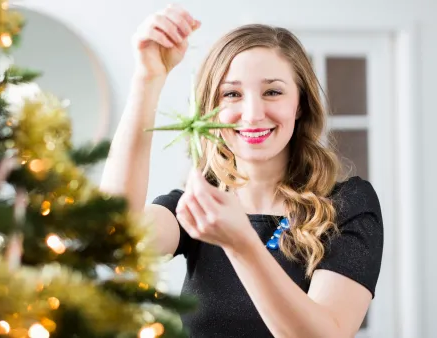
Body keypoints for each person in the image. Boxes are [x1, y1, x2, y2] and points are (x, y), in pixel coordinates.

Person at [100, 4, 384, 337]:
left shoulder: (347, 204)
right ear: (211, 110)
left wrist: (241, 244)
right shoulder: (197, 208)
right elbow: (112, 235)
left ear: (300, 104)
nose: (252, 113)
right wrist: (146, 80)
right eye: (232, 94)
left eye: (273, 92)